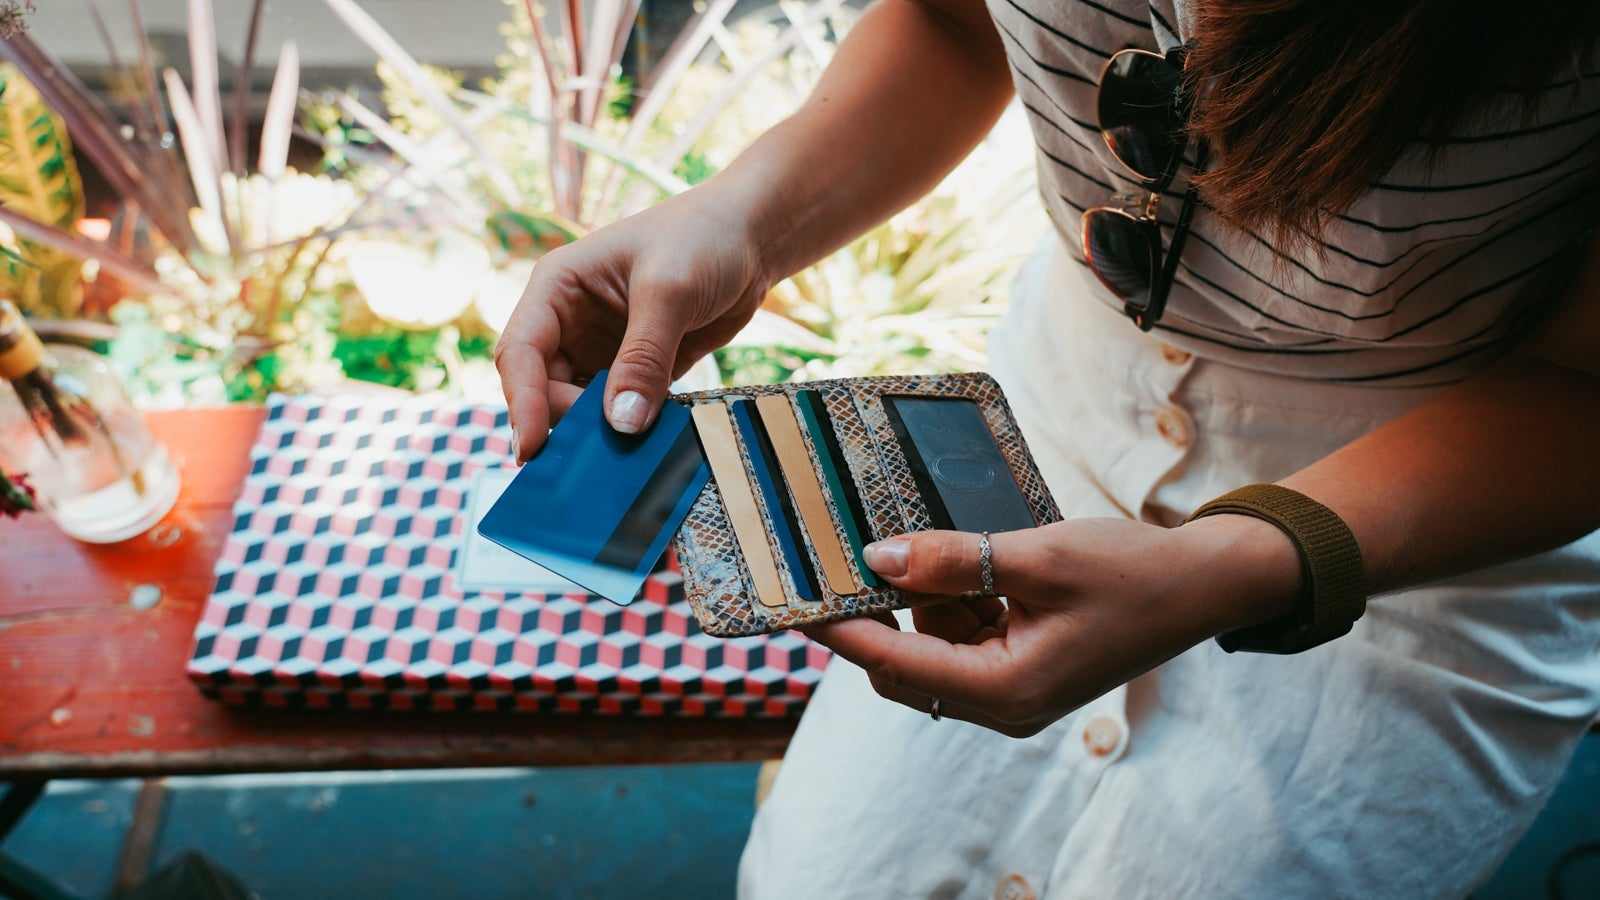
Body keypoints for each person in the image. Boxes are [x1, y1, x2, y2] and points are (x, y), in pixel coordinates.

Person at [494, 0, 1600, 895]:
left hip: (1442, 498)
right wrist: (740, 218)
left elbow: (1578, 382)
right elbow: (956, 24)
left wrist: (1249, 560)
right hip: (1039, 414)